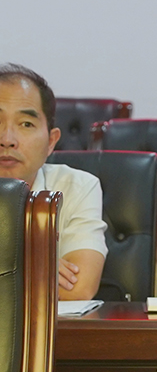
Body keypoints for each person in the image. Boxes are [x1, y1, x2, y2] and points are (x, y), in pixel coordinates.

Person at [0, 64, 107, 300]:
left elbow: (78, 287)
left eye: (26, 124)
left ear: (51, 141)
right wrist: (34, 266)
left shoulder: (76, 187)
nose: (7, 139)